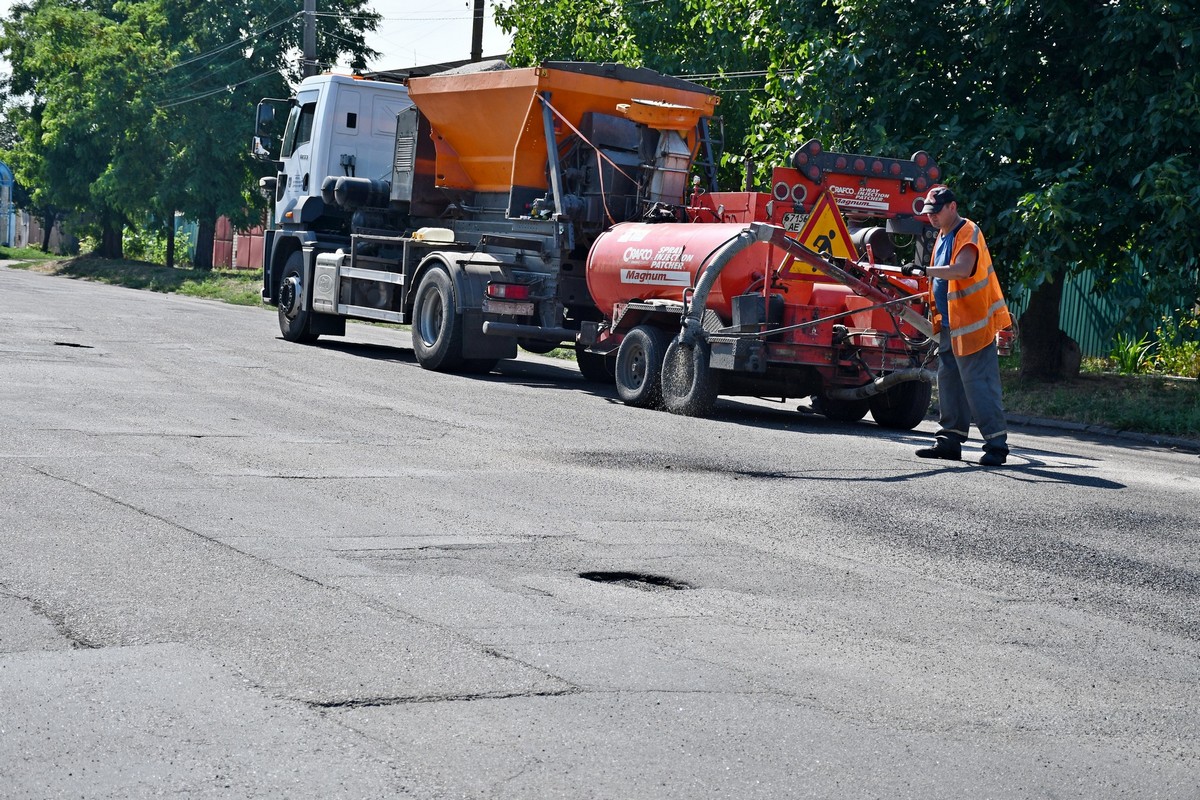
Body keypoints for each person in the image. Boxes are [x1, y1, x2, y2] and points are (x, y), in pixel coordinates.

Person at [906, 185, 1013, 466]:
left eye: (936, 212)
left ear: (952, 207)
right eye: (928, 213)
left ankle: (996, 446)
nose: (932, 217)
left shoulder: (967, 231)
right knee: (949, 382)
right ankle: (949, 441)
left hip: (974, 325)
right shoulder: (942, 235)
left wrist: (923, 270)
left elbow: (963, 270)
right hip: (951, 325)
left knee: (979, 385)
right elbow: (943, 282)